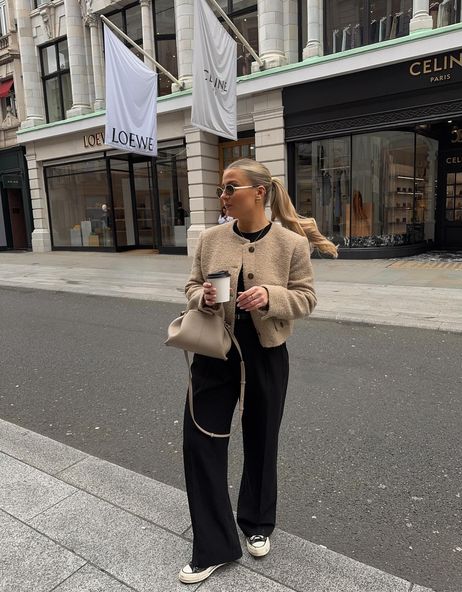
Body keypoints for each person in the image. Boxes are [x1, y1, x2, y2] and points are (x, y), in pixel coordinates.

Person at [179, 158, 337, 585]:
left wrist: (271, 295)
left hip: (266, 351)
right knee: (200, 440)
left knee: (262, 437)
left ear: (259, 193)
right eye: (221, 190)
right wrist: (202, 298)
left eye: (231, 188)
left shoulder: (290, 244)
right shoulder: (210, 238)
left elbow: (306, 298)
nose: (223, 196)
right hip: (216, 348)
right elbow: (191, 286)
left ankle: (257, 522)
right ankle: (213, 545)